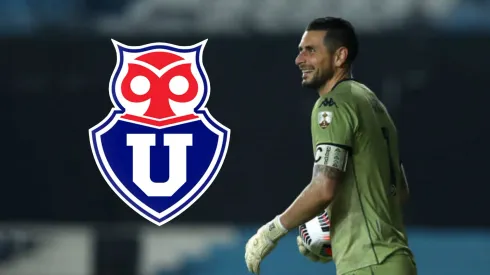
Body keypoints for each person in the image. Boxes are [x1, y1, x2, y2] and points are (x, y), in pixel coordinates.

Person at [244, 17, 417, 275]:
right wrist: (334, 228)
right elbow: (399, 192)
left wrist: (271, 232)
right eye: (300, 50)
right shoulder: (373, 104)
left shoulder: (333, 105)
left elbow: (323, 187)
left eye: (311, 50)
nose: (299, 59)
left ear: (339, 57)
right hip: (394, 259)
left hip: (368, 264)